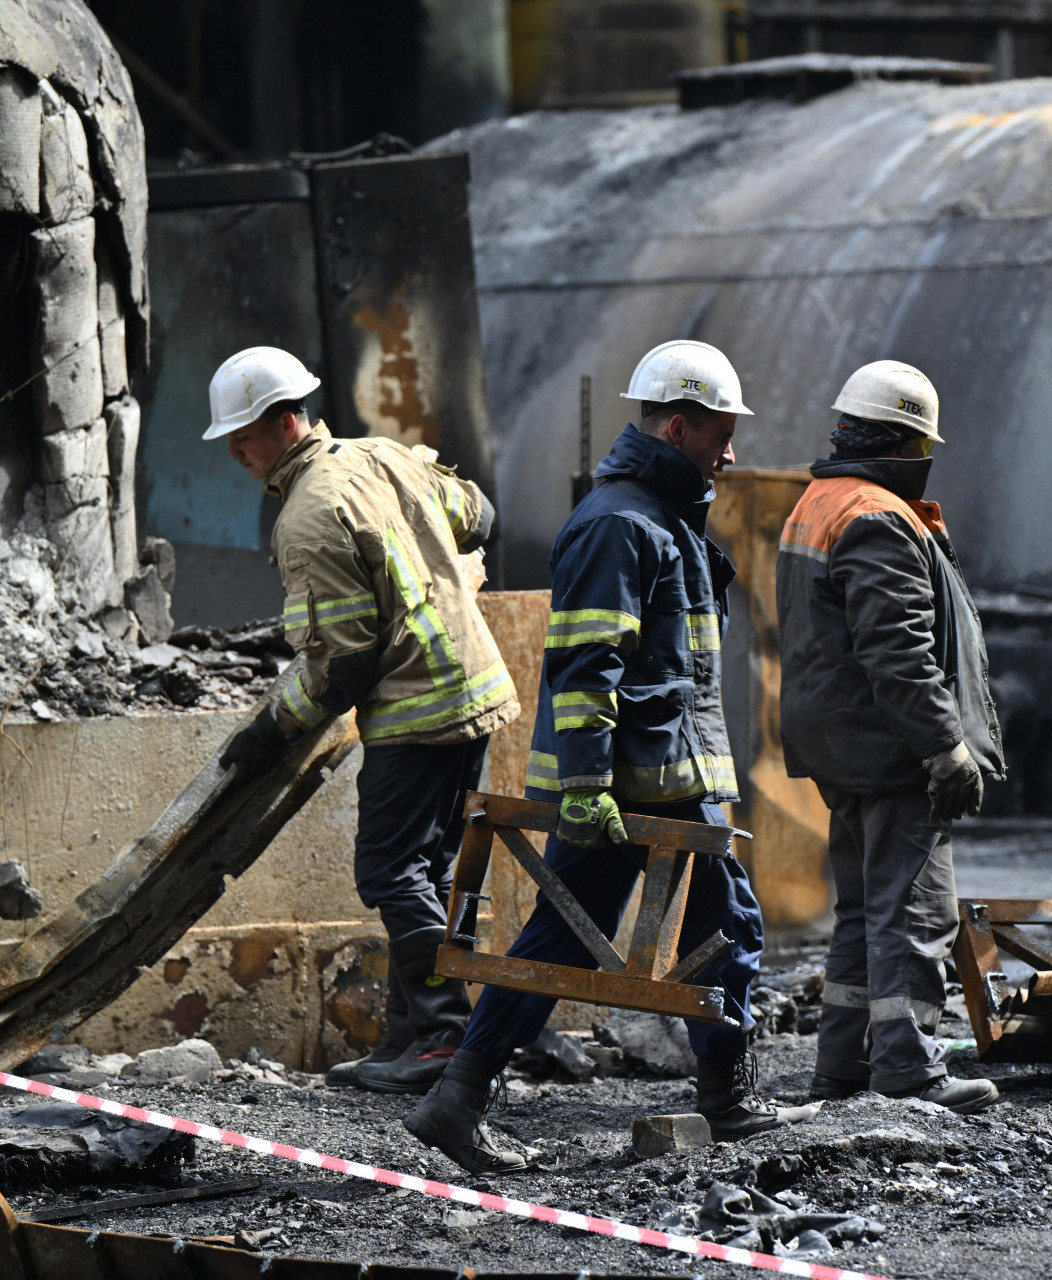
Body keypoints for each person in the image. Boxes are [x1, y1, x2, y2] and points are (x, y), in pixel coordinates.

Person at [404, 340, 817, 1175]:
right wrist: (588, 783)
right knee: (575, 936)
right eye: (720, 434)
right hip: (630, 784)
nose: (731, 452)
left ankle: (721, 1098)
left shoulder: (662, 518)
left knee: (713, 924)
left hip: (668, 774)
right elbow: (588, 665)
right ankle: (460, 1098)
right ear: (677, 427)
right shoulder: (620, 524)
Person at [206, 346, 518, 1093]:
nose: (235, 454)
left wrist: (269, 732)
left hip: (416, 714)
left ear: (284, 422)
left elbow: (342, 666)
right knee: (427, 873)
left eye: (241, 437)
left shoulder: (308, 515)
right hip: (473, 693)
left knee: (388, 871)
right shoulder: (384, 455)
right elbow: (482, 517)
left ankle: (442, 1037)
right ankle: (409, 1038)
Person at [775, 360, 1004, 1114]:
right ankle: (910, 1070)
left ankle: (841, 1071)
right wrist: (944, 747)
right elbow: (899, 652)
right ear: (908, 444)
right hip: (890, 749)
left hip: (840, 746)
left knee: (862, 910)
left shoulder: (819, 501)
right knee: (913, 909)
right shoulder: (877, 515)